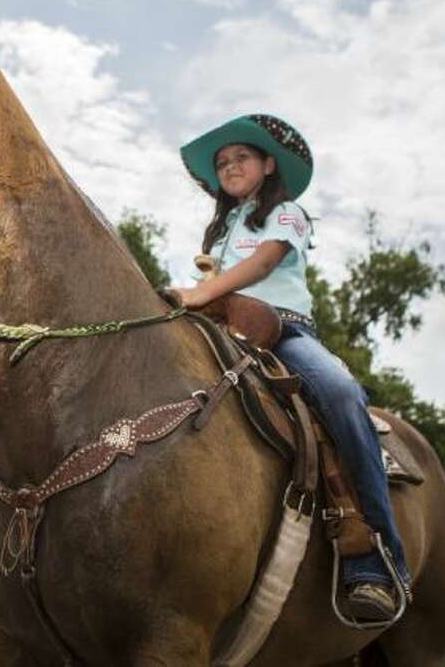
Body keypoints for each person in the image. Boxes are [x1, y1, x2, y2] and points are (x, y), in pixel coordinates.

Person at [174, 113, 410, 622]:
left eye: (241, 157)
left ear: (267, 165)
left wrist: (196, 294)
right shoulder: (219, 230)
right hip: (223, 328)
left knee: (342, 394)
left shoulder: (288, 214)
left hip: (284, 331)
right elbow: (218, 283)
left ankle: (376, 561)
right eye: (222, 162)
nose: (230, 166)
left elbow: (261, 265)